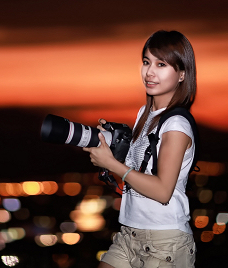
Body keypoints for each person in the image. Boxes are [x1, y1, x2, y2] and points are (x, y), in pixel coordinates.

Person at [83, 30, 197, 268]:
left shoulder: (176, 125)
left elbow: (163, 191)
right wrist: (112, 146)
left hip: (165, 243)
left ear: (182, 74)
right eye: (146, 62)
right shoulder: (144, 116)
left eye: (161, 64)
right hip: (130, 234)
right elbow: (137, 172)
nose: (150, 71)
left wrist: (112, 164)